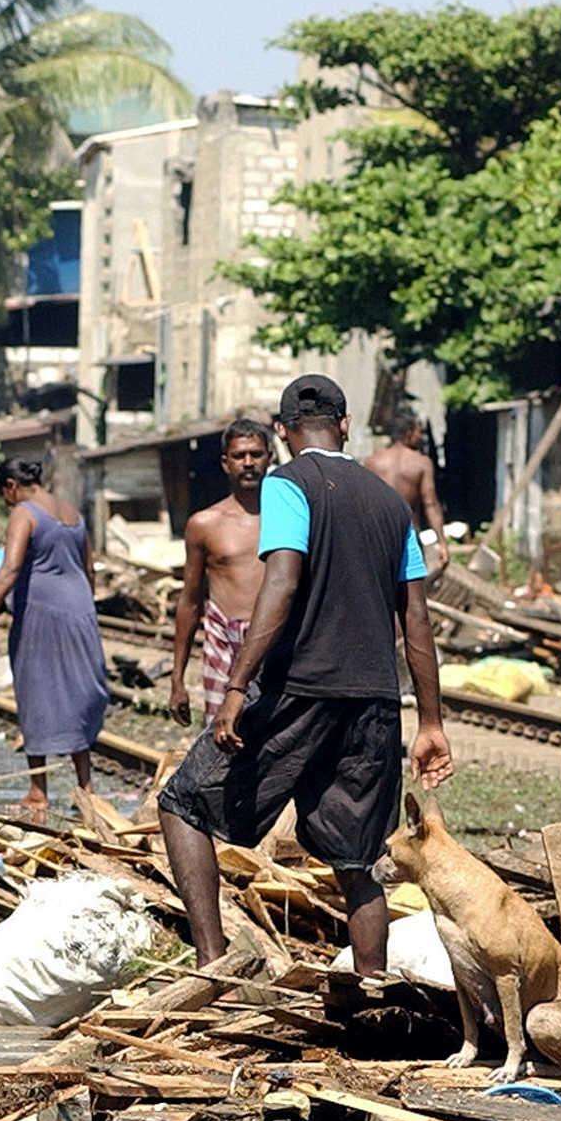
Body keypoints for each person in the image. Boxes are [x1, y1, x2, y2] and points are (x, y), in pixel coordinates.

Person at [158, 374, 454, 973]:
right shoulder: (390, 502)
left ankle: (212, 962)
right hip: (373, 696)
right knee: (361, 853)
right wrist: (430, 720)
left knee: (183, 802)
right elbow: (416, 618)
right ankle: (371, 987)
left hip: (301, 688)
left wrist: (237, 686)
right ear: (346, 426)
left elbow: (283, 581)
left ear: (283, 432)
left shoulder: (288, 484)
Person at [0, 453, 109, 815]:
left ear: (11, 486)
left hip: (40, 612)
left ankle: (38, 790)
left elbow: (10, 568)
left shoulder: (24, 512)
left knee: (36, 691)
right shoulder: (73, 512)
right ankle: (86, 786)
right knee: (77, 690)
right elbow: (89, 569)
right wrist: (83, 604)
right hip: (79, 607)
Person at [170, 418, 271, 727]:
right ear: (226, 463)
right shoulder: (205, 524)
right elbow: (190, 601)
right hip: (223, 640)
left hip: (275, 639)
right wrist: (177, 680)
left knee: (277, 740)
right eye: (240, 456)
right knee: (221, 737)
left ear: (270, 457)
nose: (249, 463)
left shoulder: (288, 517)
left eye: (256, 454)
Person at [363, 405, 450, 575]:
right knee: (412, 595)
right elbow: (430, 504)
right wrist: (442, 543)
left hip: (376, 537)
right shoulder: (421, 463)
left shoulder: (372, 461)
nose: (421, 437)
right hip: (407, 535)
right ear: (409, 432)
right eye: (419, 432)